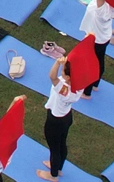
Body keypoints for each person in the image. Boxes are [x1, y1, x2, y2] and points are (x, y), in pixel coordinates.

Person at [38, 53, 84, 182]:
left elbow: (52, 76)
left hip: (55, 120)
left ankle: (53, 175)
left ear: (68, 77)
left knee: (54, 149)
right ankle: (58, 168)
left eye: (64, 70)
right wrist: (66, 64)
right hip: (66, 117)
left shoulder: (64, 89)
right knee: (62, 144)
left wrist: (58, 63)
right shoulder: (78, 84)